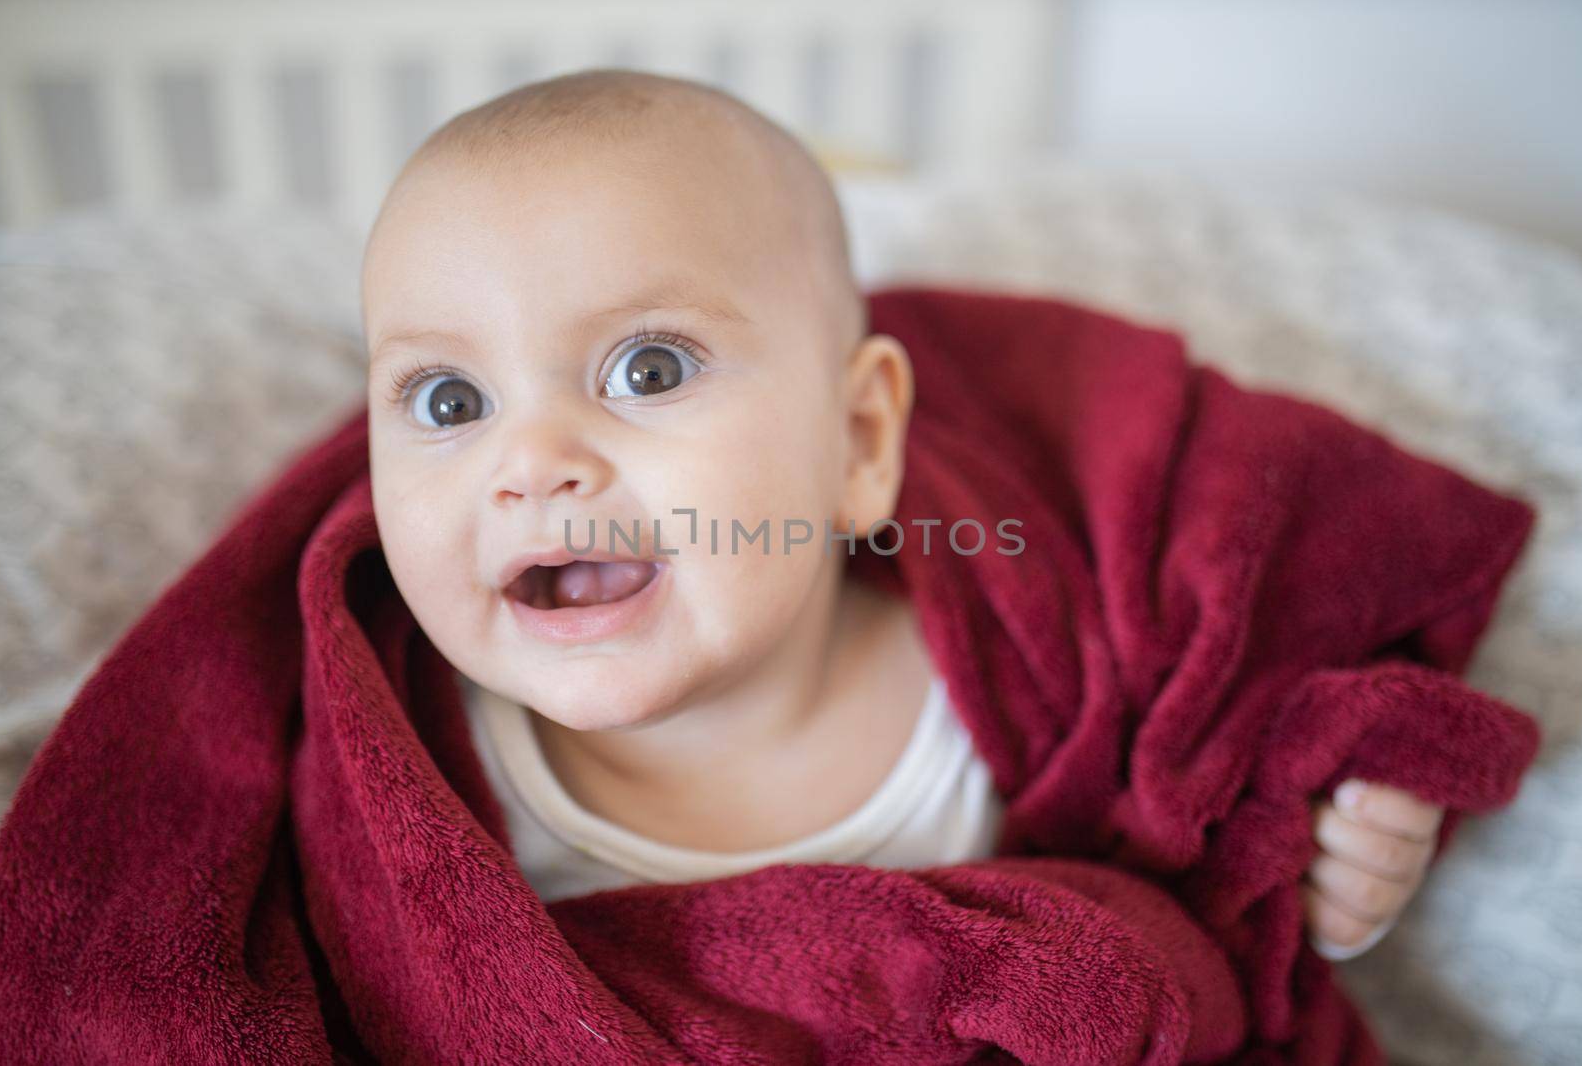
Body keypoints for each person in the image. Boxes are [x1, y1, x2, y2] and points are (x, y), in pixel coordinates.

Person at [360, 67, 1439, 959]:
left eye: (647, 368)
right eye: (448, 400)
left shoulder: (1011, 697)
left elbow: (1203, 855)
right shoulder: (428, 777)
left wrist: (1311, 870)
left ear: (862, 441)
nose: (533, 461)